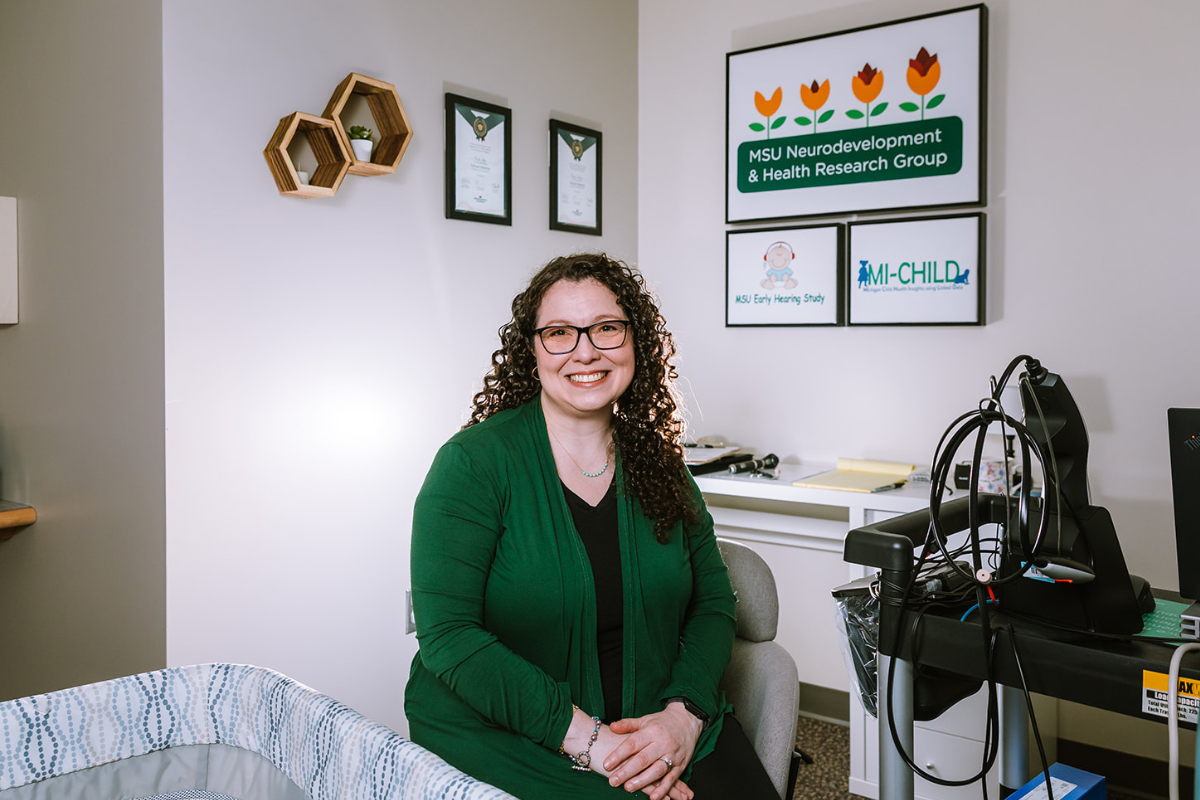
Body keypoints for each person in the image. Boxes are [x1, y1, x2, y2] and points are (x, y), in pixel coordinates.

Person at [406, 253, 780, 800]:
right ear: (530, 350)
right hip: (511, 733)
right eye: (559, 332)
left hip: (656, 726)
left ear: (636, 342)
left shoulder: (659, 463)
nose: (586, 350)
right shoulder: (473, 465)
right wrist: (596, 744)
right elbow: (450, 638)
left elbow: (714, 601)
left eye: (606, 328)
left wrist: (684, 717)